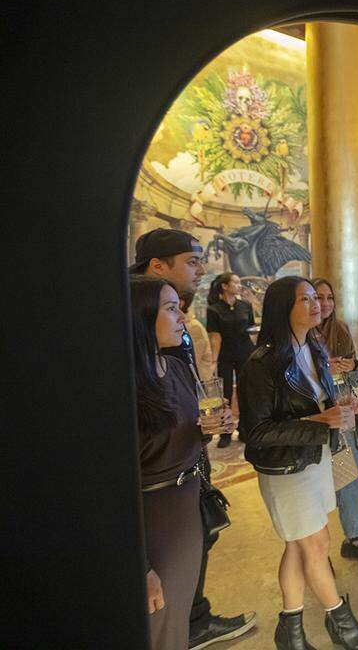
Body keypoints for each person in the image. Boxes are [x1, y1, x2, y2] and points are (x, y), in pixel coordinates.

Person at [238, 276, 358, 650]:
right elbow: (256, 433)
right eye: (306, 299)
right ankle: (342, 623)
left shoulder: (314, 348)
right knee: (316, 544)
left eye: (317, 298)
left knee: (299, 546)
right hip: (286, 470)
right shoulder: (261, 363)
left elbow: (320, 406)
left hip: (315, 459)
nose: (316, 304)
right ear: (282, 309)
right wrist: (318, 423)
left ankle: (291, 631)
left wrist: (342, 409)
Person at [131, 228, 256, 648]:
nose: (183, 319)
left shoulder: (172, 364)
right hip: (156, 510)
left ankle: (194, 623)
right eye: (192, 260)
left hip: (186, 494)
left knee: (178, 606)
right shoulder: (129, 381)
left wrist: (204, 428)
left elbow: (180, 418)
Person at [312, 277, 358, 563]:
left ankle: (353, 537)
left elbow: (354, 372)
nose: (325, 303)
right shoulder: (299, 334)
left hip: (343, 410)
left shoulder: (339, 329)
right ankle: (315, 547)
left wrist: (349, 366)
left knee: (352, 478)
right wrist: (323, 368)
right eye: (317, 297)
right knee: (315, 482)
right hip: (313, 414)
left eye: (329, 298)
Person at [206, 272, 255, 448]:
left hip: (245, 353)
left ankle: (244, 429)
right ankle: (225, 433)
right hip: (225, 355)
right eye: (236, 282)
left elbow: (251, 329)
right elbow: (215, 337)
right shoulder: (214, 309)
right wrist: (213, 361)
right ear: (225, 286)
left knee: (246, 391)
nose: (239, 285)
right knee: (224, 394)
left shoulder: (246, 305)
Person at [179, 291, 215, 380]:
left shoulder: (193, 327)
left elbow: (192, 361)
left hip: (198, 383)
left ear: (180, 303)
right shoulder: (184, 325)